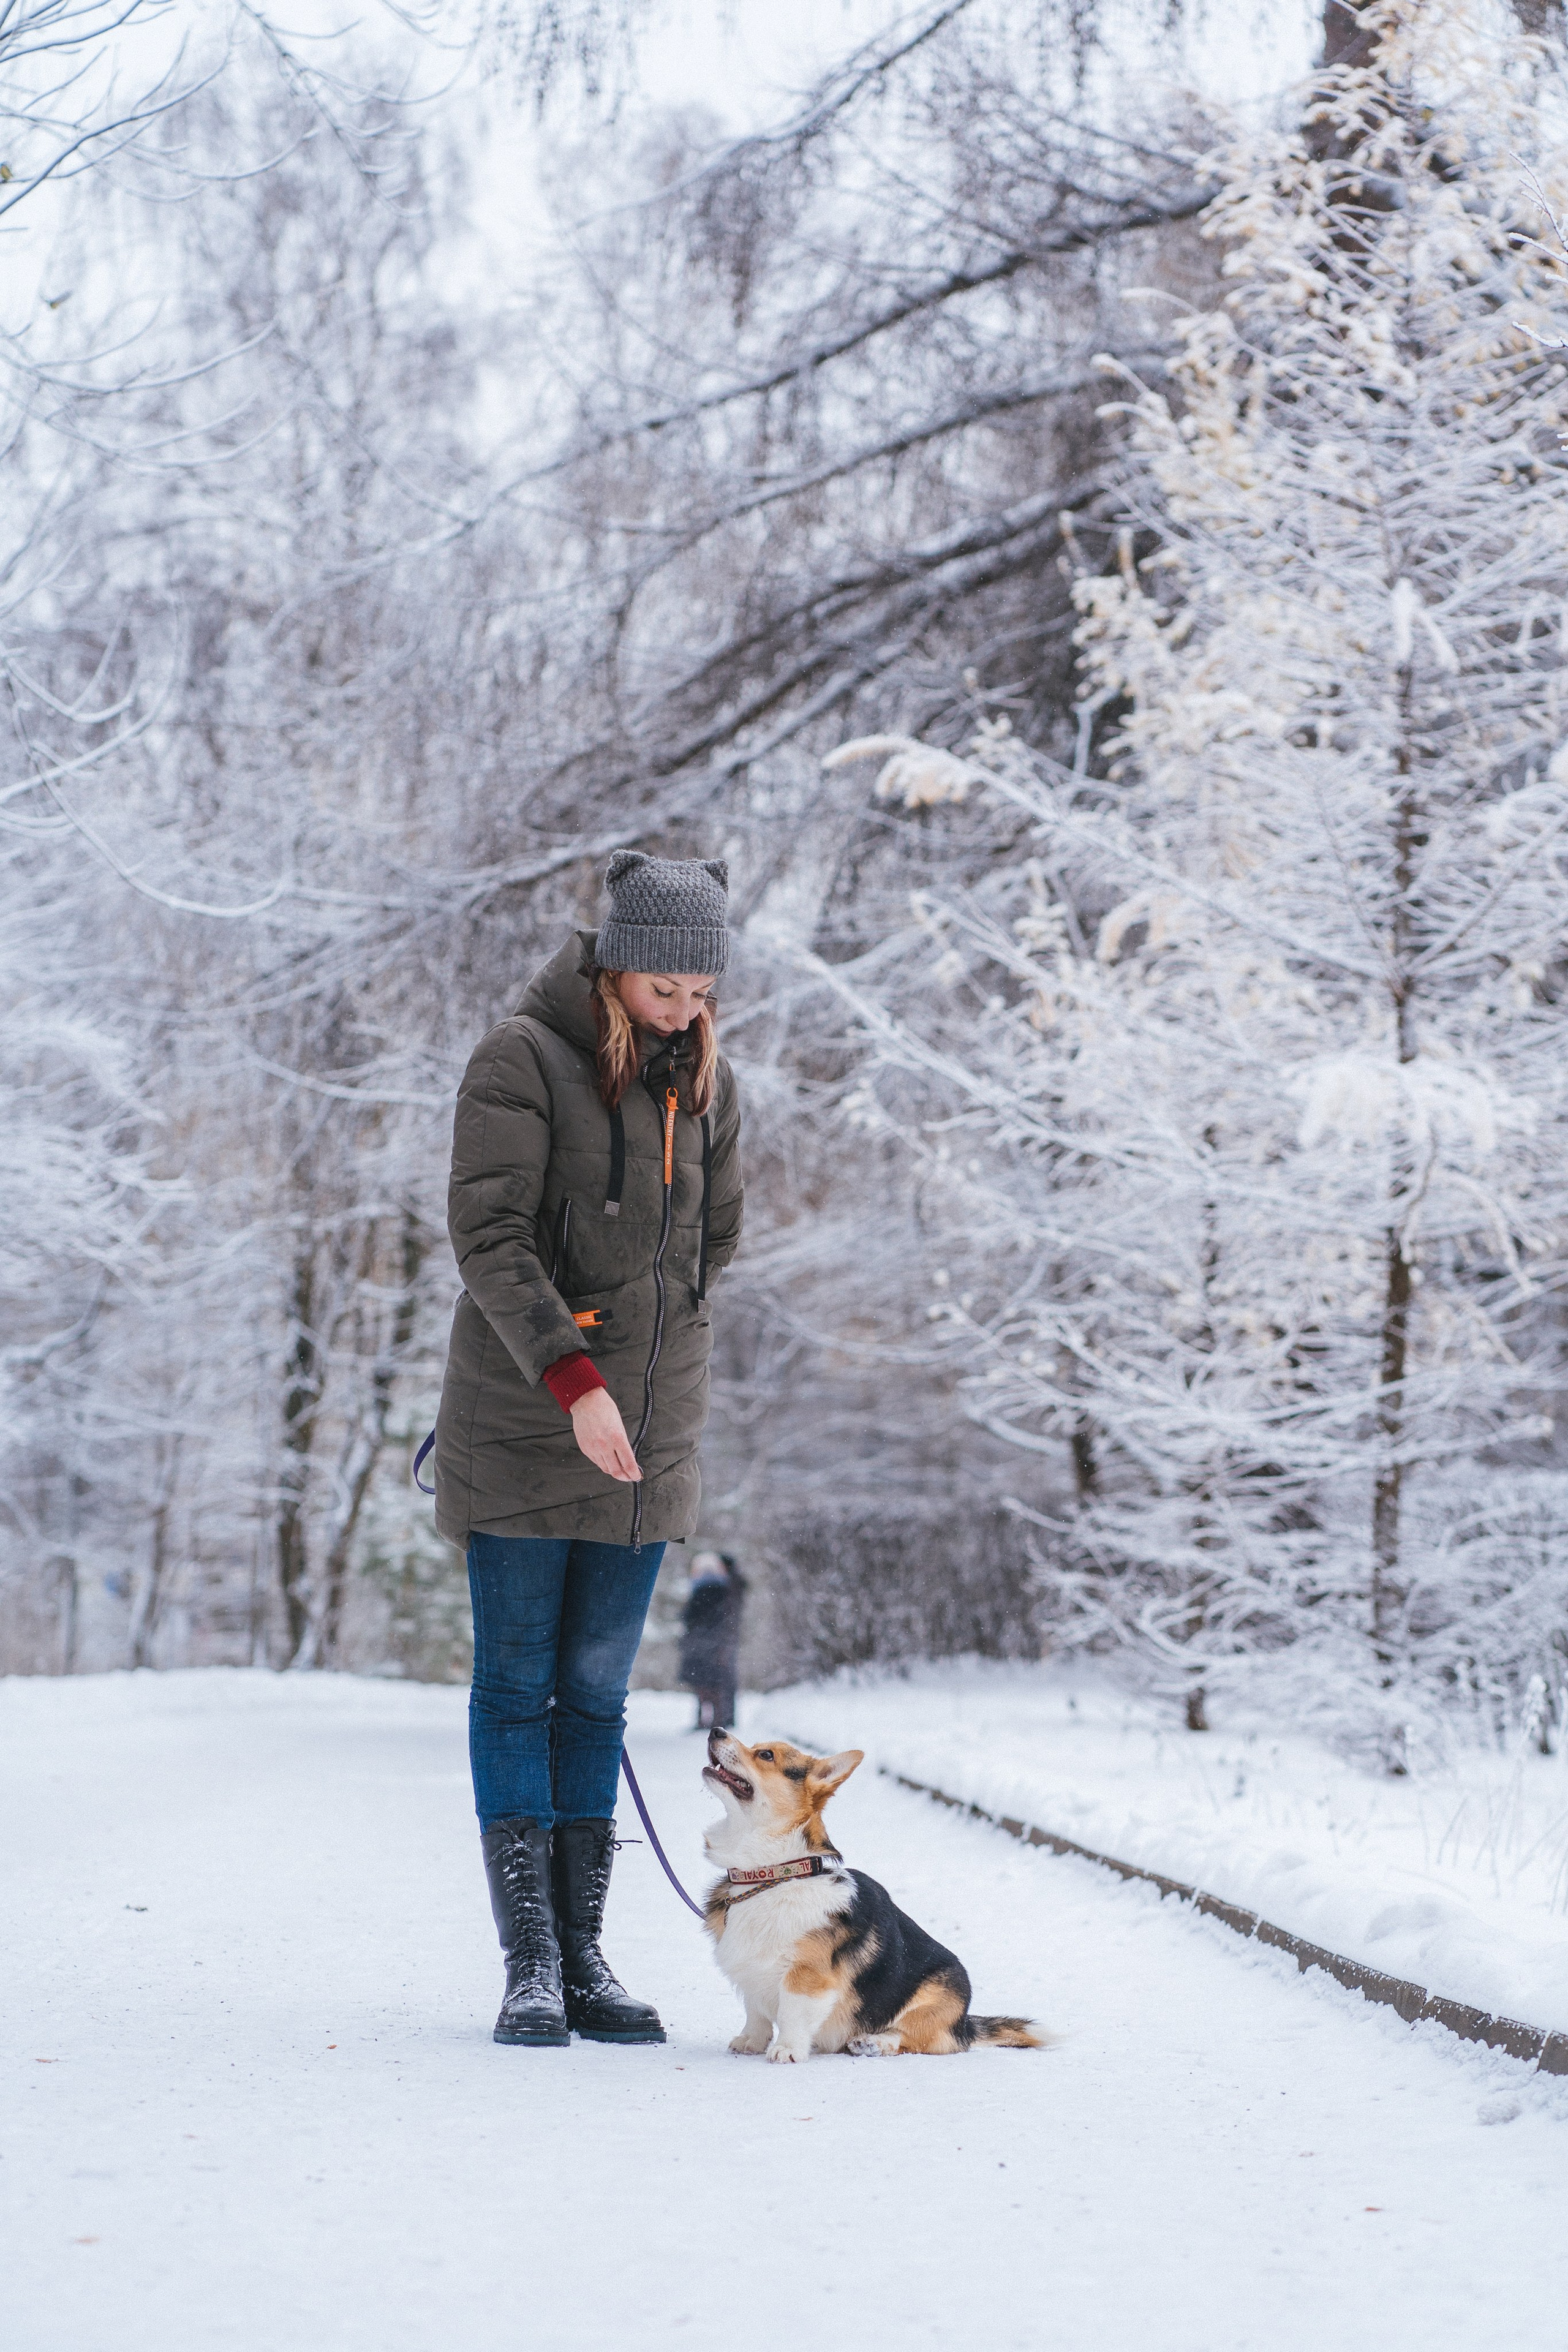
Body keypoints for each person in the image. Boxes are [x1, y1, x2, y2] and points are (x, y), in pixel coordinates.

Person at [431, 851, 743, 2048]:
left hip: (649, 1440)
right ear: (613, 965)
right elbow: (489, 1236)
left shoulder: (714, 1084)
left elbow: (713, 1247)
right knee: (518, 1687)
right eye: (663, 987)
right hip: (525, 1419)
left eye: (700, 989)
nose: (684, 1008)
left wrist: (650, 1378)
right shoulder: (522, 1059)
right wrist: (575, 1372)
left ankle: (586, 1957)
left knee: (598, 1697)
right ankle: (529, 1968)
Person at [679, 1550, 747, 1733]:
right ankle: (719, 1720)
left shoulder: (706, 1590)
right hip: (714, 1645)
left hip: (705, 1645)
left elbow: (689, 1617)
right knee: (716, 1684)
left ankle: (712, 1720)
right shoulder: (728, 1590)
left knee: (705, 1685)